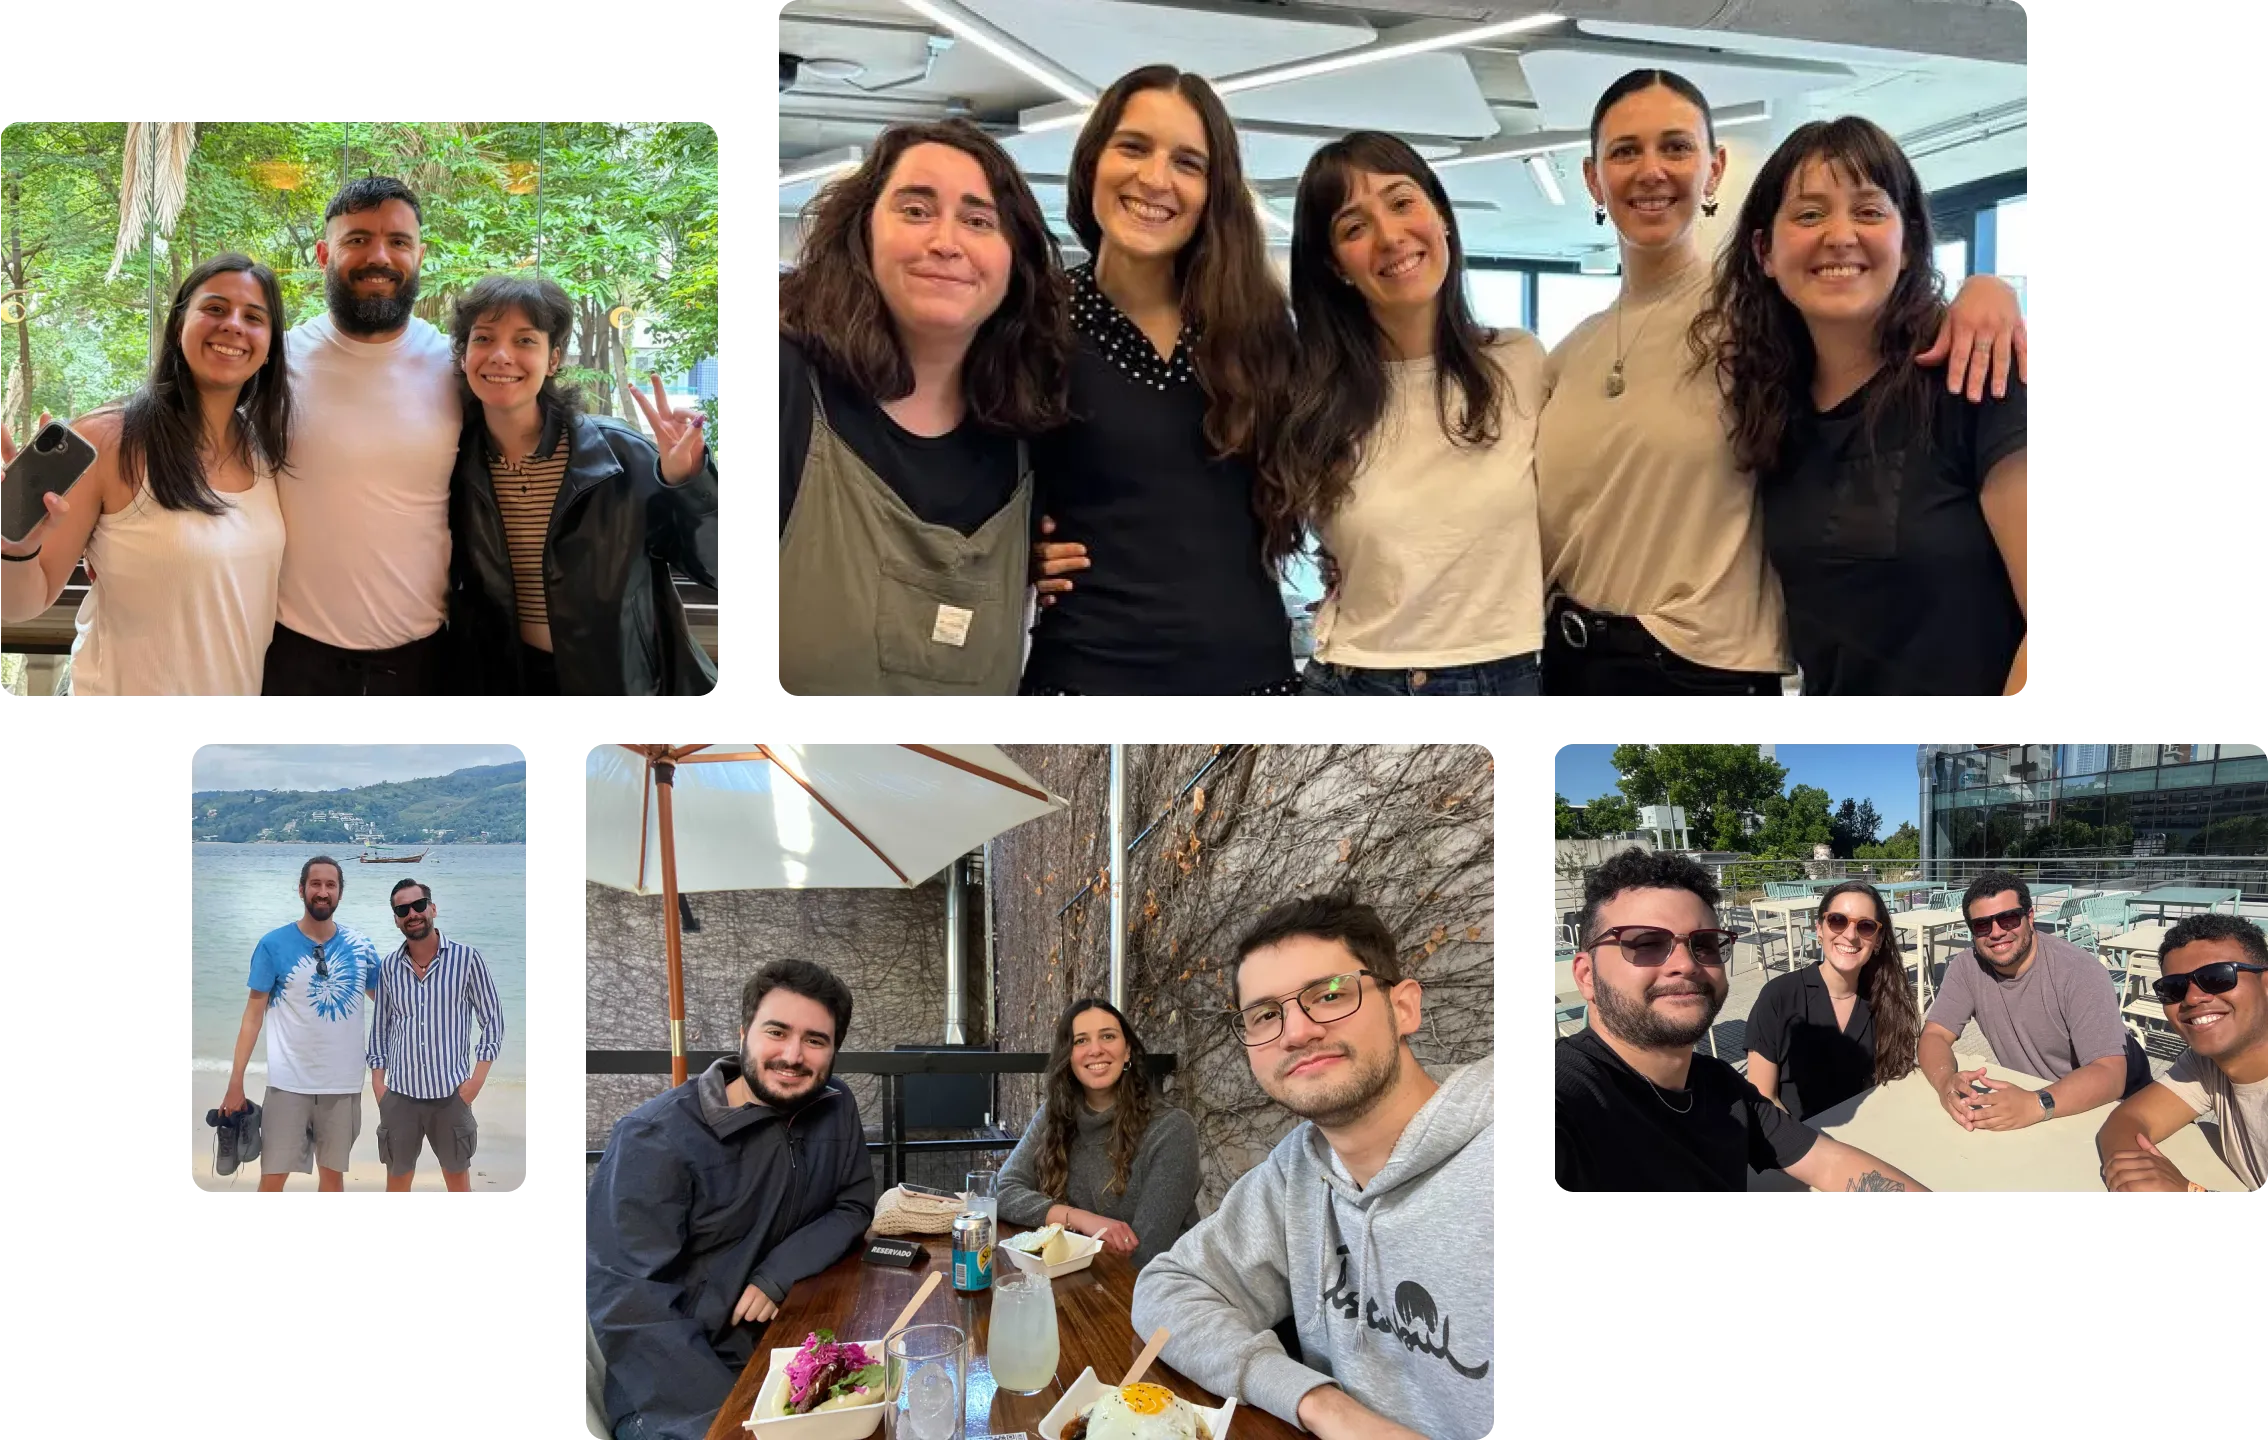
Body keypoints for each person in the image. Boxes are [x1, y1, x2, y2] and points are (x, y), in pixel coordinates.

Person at [1535, 68, 2029, 695]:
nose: (1651, 169)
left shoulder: (1747, 326)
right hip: (1568, 662)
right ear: (1593, 177)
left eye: (1676, 146)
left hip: (1700, 670)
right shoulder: (1571, 354)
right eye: (1625, 150)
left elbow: (1864, 301)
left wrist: (1987, 291)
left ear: (1714, 169)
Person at [1130, 891, 1494, 1440]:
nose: (1297, 1032)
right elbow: (1167, 1288)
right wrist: (1318, 1402)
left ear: (1404, 1008)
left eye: (1328, 995)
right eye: (1265, 1014)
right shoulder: (1295, 1171)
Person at [1701, 115, 2030, 693]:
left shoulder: (1975, 380)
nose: (1840, 234)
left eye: (1870, 211)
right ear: (1765, 251)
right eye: (1808, 214)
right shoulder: (1769, 412)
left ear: (1907, 244)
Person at [1021, 64, 1302, 695]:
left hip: (1254, 677)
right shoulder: (1032, 326)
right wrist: (1011, 556)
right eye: (1133, 147)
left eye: (1188, 162)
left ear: (1213, 190)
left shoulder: (1258, 331)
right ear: (1093, 160)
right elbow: (965, 483)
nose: (1155, 178)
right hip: (1088, 679)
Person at [775, 118, 1072, 695]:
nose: (945, 241)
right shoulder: (789, 385)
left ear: (1016, 258)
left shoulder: (1031, 434)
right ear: (862, 232)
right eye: (915, 210)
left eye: (979, 220)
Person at [1275, 132, 1547, 696]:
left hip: (1505, 675)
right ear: (1335, 265)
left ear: (1441, 216)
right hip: (1353, 679)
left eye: (1402, 203)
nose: (1391, 236)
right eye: (1355, 227)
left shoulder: (1522, 362)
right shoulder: (1306, 395)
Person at [586, 959, 874, 1440]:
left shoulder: (834, 1105)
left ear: (834, 1052)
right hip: (675, 1396)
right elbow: (629, 1306)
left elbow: (854, 1205)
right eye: (776, 1032)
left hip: (788, 1356)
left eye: (815, 1040)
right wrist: (734, 1422)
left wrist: (779, 1272)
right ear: (744, 1032)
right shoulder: (654, 1137)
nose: (793, 1055)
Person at [1554, 847, 1929, 1191]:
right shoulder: (1572, 1096)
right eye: (1646, 942)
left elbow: (1830, 1163)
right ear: (1587, 976)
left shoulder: (1722, 1090)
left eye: (1704, 943)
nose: (1685, 964)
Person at [0, 253, 293, 693]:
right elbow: (21, 604)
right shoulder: (109, 439)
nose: (233, 324)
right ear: (179, 326)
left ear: (270, 346)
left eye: (254, 316)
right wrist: (14, 543)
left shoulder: (265, 450)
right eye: (214, 308)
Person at [445, 273, 718, 694]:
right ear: (464, 356)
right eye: (483, 339)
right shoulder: (455, 462)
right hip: (506, 678)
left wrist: (689, 480)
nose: (500, 356)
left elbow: (715, 570)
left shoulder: (616, 454)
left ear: (553, 359)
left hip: (617, 682)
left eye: (524, 341)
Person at [263, 177, 464, 695]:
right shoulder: (273, 362)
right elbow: (196, 440)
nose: (380, 256)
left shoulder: (460, 370)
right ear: (324, 253)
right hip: (289, 655)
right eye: (358, 240)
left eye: (398, 241)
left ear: (420, 254)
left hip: (425, 659)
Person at [1917, 871, 2149, 1134]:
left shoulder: (2079, 972)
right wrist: (1945, 1081)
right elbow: (1934, 1034)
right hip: (2039, 1107)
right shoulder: (1967, 968)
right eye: (1982, 925)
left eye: (2008, 919)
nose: (1996, 933)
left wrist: (2035, 1103)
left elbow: (2110, 1074)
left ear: (2029, 918)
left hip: (2118, 1106)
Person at [995, 996, 1200, 1270]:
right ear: (1068, 1057)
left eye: (1108, 1036)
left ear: (1127, 1050)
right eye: (1081, 1041)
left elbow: (1143, 1254)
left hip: (1158, 1291)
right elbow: (1002, 1190)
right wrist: (1080, 1219)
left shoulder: (1171, 1130)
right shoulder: (1053, 1115)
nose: (1095, 1050)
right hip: (1076, 1280)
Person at [219, 855, 383, 1191]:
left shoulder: (361, 947)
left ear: (340, 893)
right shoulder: (272, 945)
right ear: (301, 889)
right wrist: (236, 1082)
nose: (323, 892)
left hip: (343, 1086)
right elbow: (252, 1017)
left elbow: (391, 1006)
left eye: (330, 885)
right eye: (316, 884)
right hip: (287, 1085)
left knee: (332, 1180)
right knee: (273, 1178)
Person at [2095, 914, 2268, 1192]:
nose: (2192, 998)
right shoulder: (2207, 1063)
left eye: (2217, 978)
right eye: (2174, 987)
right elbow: (2126, 1120)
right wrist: (2137, 1176)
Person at [365, 877, 505, 1191]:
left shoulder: (467, 959)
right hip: (400, 1097)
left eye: (418, 905)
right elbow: (380, 1030)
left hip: (452, 1097)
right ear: (397, 919)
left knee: (458, 1184)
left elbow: (492, 1021)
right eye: (403, 909)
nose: (412, 913)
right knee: (397, 1182)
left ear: (433, 909)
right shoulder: (388, 967)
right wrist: (378, 1085)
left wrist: (475, 1083)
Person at [1744, 880, 1923, 1119]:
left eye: (1866, 926)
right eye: (1837, 920)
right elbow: (1763, 1097)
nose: (1850, 935)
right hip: (1798, 1145)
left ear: (1878, 940)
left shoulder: (1887, 1000)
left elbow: (1896, 1081)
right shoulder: (1779, 996)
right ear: (1819, 929)